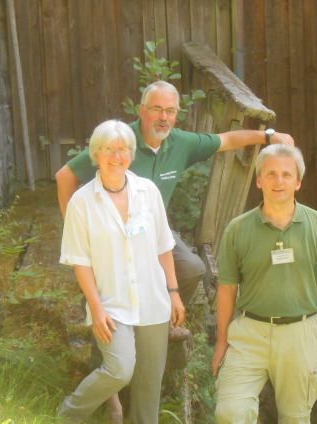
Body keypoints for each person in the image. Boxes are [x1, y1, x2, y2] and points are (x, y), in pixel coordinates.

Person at [56, 80, 294, 419]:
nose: (163, 117)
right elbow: (64, 175)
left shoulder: (177, 146)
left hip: (153, 234)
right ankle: (103, 393)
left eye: (170, 111)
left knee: (194, 268)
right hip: (107, 243)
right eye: (156, 109)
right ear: (141, 110)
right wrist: (75, 230)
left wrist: (270, 137)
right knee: (112, 329)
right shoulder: (118, 139)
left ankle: (165, 320)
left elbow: (227, 140)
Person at [211, 144, 317, 424]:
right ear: (259, 181)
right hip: (249, 334)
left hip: (299, 334)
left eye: (286, 174)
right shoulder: (238, 228)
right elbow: (227, 288)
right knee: (230, 414)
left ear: (298, 182)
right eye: (270, 174)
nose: (278, 181)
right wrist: (222, 340)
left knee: (295, 418)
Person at [57, 120, 184, 423]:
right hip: (111, 305)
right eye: (109, 150)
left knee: (148, 387)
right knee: (119, 369)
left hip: (154, 301)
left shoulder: (148, 191)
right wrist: (96, 308)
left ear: (132, 153)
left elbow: (163, 246)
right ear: (95, 154)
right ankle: (67, 415)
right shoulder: (82, 202)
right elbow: (81, 261)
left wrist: (174, 293)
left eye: (123, 150)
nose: (117, 157)